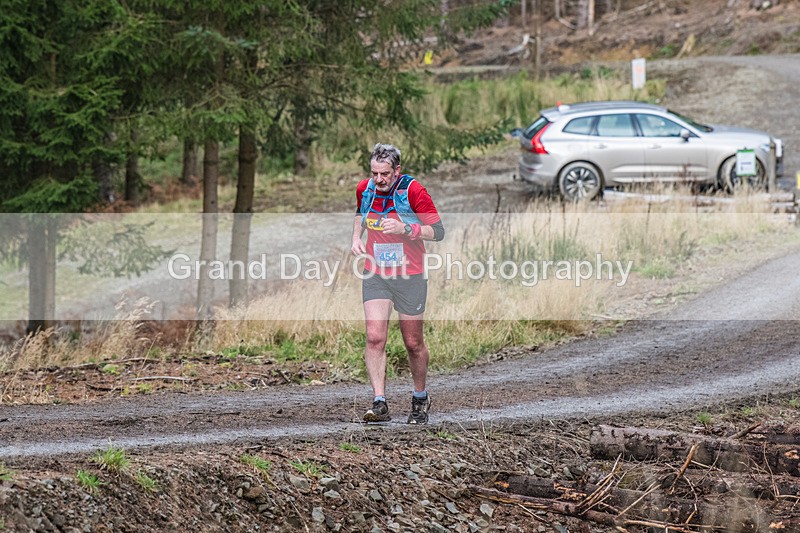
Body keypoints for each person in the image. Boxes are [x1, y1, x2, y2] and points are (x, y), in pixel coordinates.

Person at [351, 143, 445, 424]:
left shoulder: (413, 191)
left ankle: (419, 397)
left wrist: (406, 228)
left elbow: (438, 231)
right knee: (374, 336)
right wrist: (356, 237)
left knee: (413, 343)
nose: (379, 179)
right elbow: (360, 213)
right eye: (374, 173)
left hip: (410, 275)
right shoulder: (365, 188)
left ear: (397, 170)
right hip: (376, 273)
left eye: (385, 174)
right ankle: (379, 403)